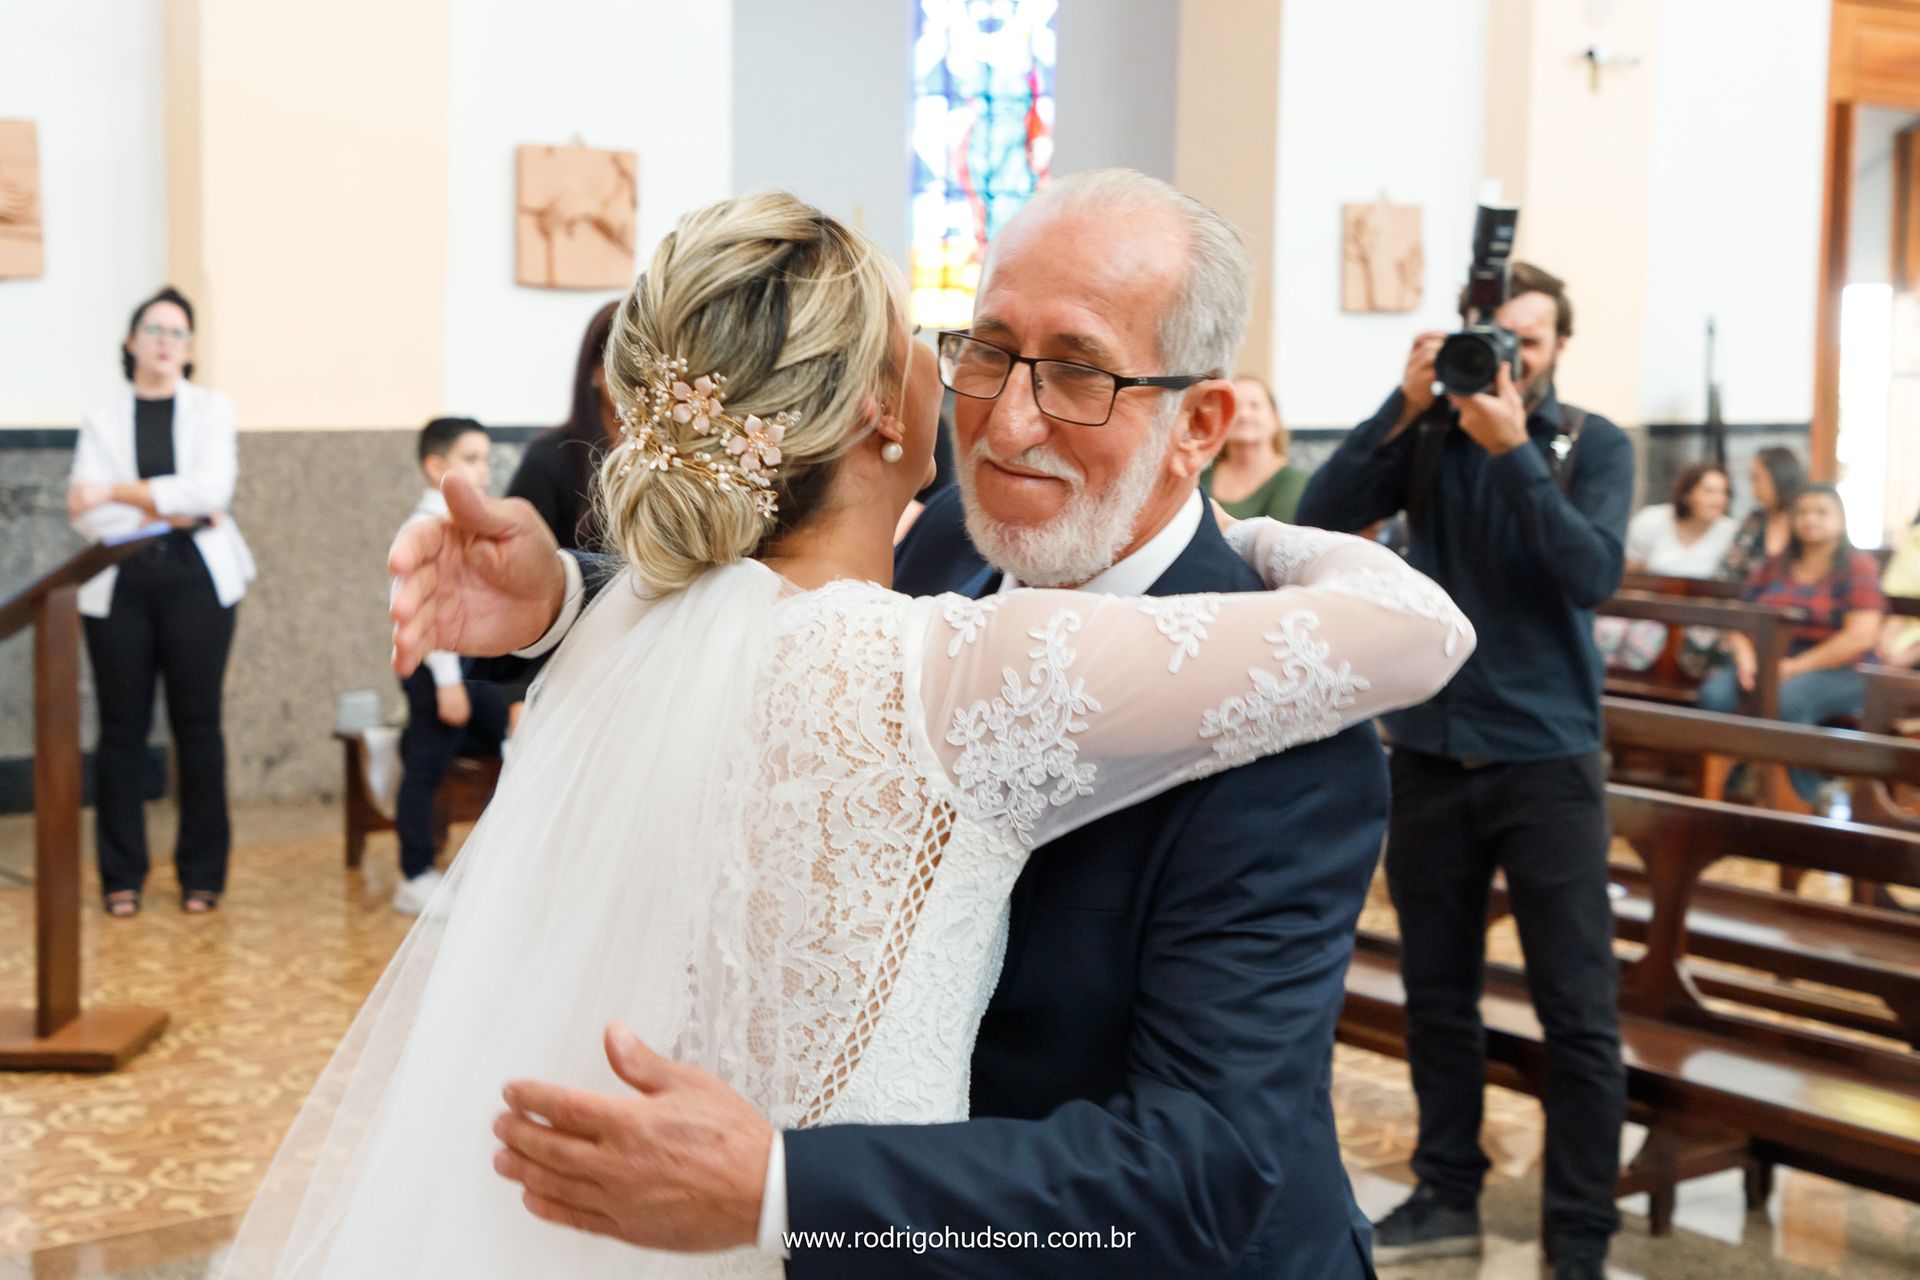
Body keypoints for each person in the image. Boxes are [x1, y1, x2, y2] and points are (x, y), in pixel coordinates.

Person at [261, 177, 1477, 1280]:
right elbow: (755, 631)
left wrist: (791, 1192)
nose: (1004, 424)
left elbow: (1199, 1183)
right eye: (987, 350)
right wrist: (565, 598)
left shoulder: (1293, 738)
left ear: (1202, 425)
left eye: (1079, 371)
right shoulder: (943, 549)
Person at [1296, 260, 1634, 1280]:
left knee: (1577, 1008)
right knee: (1435, 991)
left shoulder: (1595, 443)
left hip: (1548, 760)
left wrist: (1518, 450)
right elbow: (1321, 513)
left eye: (1529, 339)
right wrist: (1400, 406)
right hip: (1433, 750)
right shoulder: (1430, 434)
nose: (1509, 356)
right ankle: (1447, 1186)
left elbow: (1590, 574)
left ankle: (1579, 1234)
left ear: (1558, 348)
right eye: (1495, 337)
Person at [67, 286, 255, 917]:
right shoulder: (102, 417)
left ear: (190, 348)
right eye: (153, 329)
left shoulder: (211, 409)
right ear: (131, 341)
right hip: (118, 582)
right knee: (120, 733)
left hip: (199, 582)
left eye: (177, 332)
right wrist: (171, 504)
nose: (165, 340)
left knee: (197, 727)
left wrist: (118, 493)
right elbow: (86, 517)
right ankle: (121, 876)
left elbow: (210, 492)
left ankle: (202, 873)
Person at [390, 418, 515, 916]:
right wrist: (447, 683)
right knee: (425, 762)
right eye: (470, 459)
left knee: (512, 743)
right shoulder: (425, 528)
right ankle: (415, 873)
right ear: (436, 466)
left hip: (468, 663)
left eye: (486, 459)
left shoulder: (468, 523)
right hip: (435, 664)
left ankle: (496, 867)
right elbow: (425, 607)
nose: (483, 470)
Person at [1698, 485, 1887, 801]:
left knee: (1788, 699)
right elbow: (1740, 618)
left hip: (1842, 668)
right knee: (1715, 694)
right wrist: (1747, 659)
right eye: (1802, 512)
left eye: (1821, 511)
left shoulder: (1857, 566)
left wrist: (1794, 668)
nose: (1810, 519)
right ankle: (1724, 789)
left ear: (1840, 519)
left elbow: (1861, 635)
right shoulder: (1775, 565)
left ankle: (1805, 798)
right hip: (1768, 660)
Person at [1594, 461, 1736, 670]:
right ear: (1687, 494)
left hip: (1700, 618)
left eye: (1724, 492)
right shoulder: (1652, 520)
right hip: (1647, 610)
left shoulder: (1731, 533)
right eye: (1709, 491)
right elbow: (1629, 573)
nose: (1718, 499)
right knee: (1607, 632)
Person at [508, 302, 620, 552]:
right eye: (626, 364)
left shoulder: (672, 454)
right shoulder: (549, 457)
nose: (643, 379)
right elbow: (524, 554)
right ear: (595, 371)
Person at [1201, 374, 1308, 521]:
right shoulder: (1200, 475)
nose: (1244, 414)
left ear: (1275, 418)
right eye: (1235, 406)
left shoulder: (1292, 482)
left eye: (1255, 406)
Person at [1875, 507, 1920, 669]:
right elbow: (1898, 603)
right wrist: (1885, 643)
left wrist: (1913, 654)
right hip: (1900, 637)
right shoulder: (1913, 540)